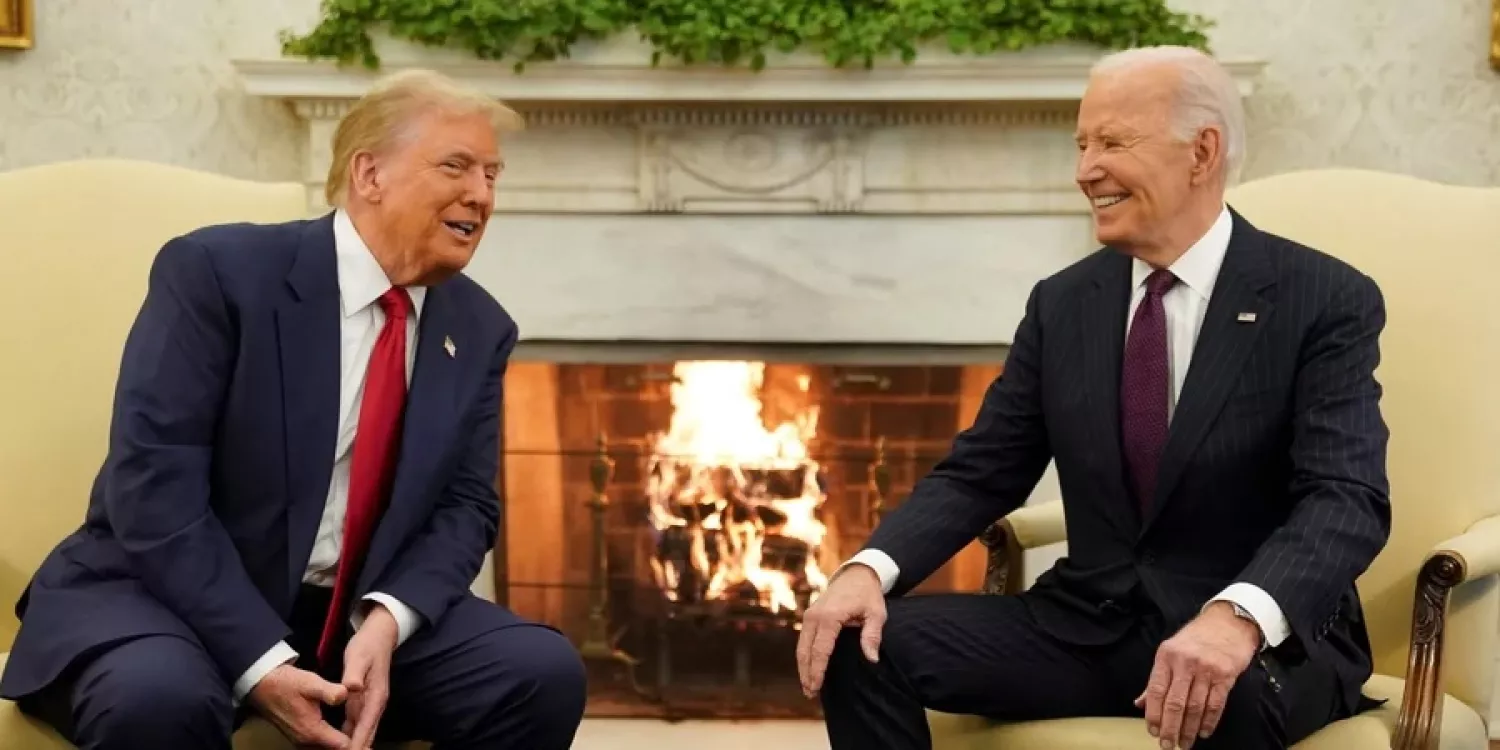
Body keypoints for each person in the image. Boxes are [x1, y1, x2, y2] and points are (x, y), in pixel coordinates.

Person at [797, 45, 1390, 750]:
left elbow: (1345, 497)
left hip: (1255, 639)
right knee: (857, 641)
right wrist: (868, 569)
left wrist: (1235, 618)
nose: (1086, 170)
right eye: (1081, 144)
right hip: (1088, 624)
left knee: (1211, 694)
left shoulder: (1320, 298)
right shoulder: (1065, 304)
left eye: (1112, 142)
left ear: (1201, 152)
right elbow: (983, 470)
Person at [0, 69, 587, 749]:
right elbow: (152, 488)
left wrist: (389, 618)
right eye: (457, 166)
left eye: (492, 174)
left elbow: (466, 507)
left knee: (538, 673)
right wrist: (261, 661)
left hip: (346, 615)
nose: (481, 195)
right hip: (164, 598)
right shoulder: (220, 273)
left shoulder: (480, 328)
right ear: (370, 175)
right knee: (158, 700)